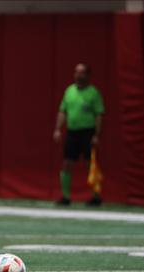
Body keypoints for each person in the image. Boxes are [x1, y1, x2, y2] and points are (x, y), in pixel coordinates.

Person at [53, 63, 105, 206]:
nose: (78, 75)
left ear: (87, 75)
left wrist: (97, 135)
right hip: (72, 132)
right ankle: (65, 196)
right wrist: (58, 129)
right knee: (67, 163)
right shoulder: (69, 91)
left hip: (88, 132)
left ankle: (96, 196)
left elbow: (99, 115)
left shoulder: (93, 93)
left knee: (90, 164)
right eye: (76, 72)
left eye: (81, 72)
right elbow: (63, 111)